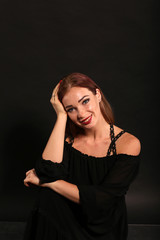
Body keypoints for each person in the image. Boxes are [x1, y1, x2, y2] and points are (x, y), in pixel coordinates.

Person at [23, 72, 141, 240]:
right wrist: (61, 115)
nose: (81, 114)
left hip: (103, 224)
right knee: (47, 198)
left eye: (85, 101)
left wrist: (48, 183)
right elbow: (48, 170)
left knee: (48, 189)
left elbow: (102, 200)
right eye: (71, 109)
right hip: (69, 217)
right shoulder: (69, 139)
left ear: (98, 94)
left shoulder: (128, 144)